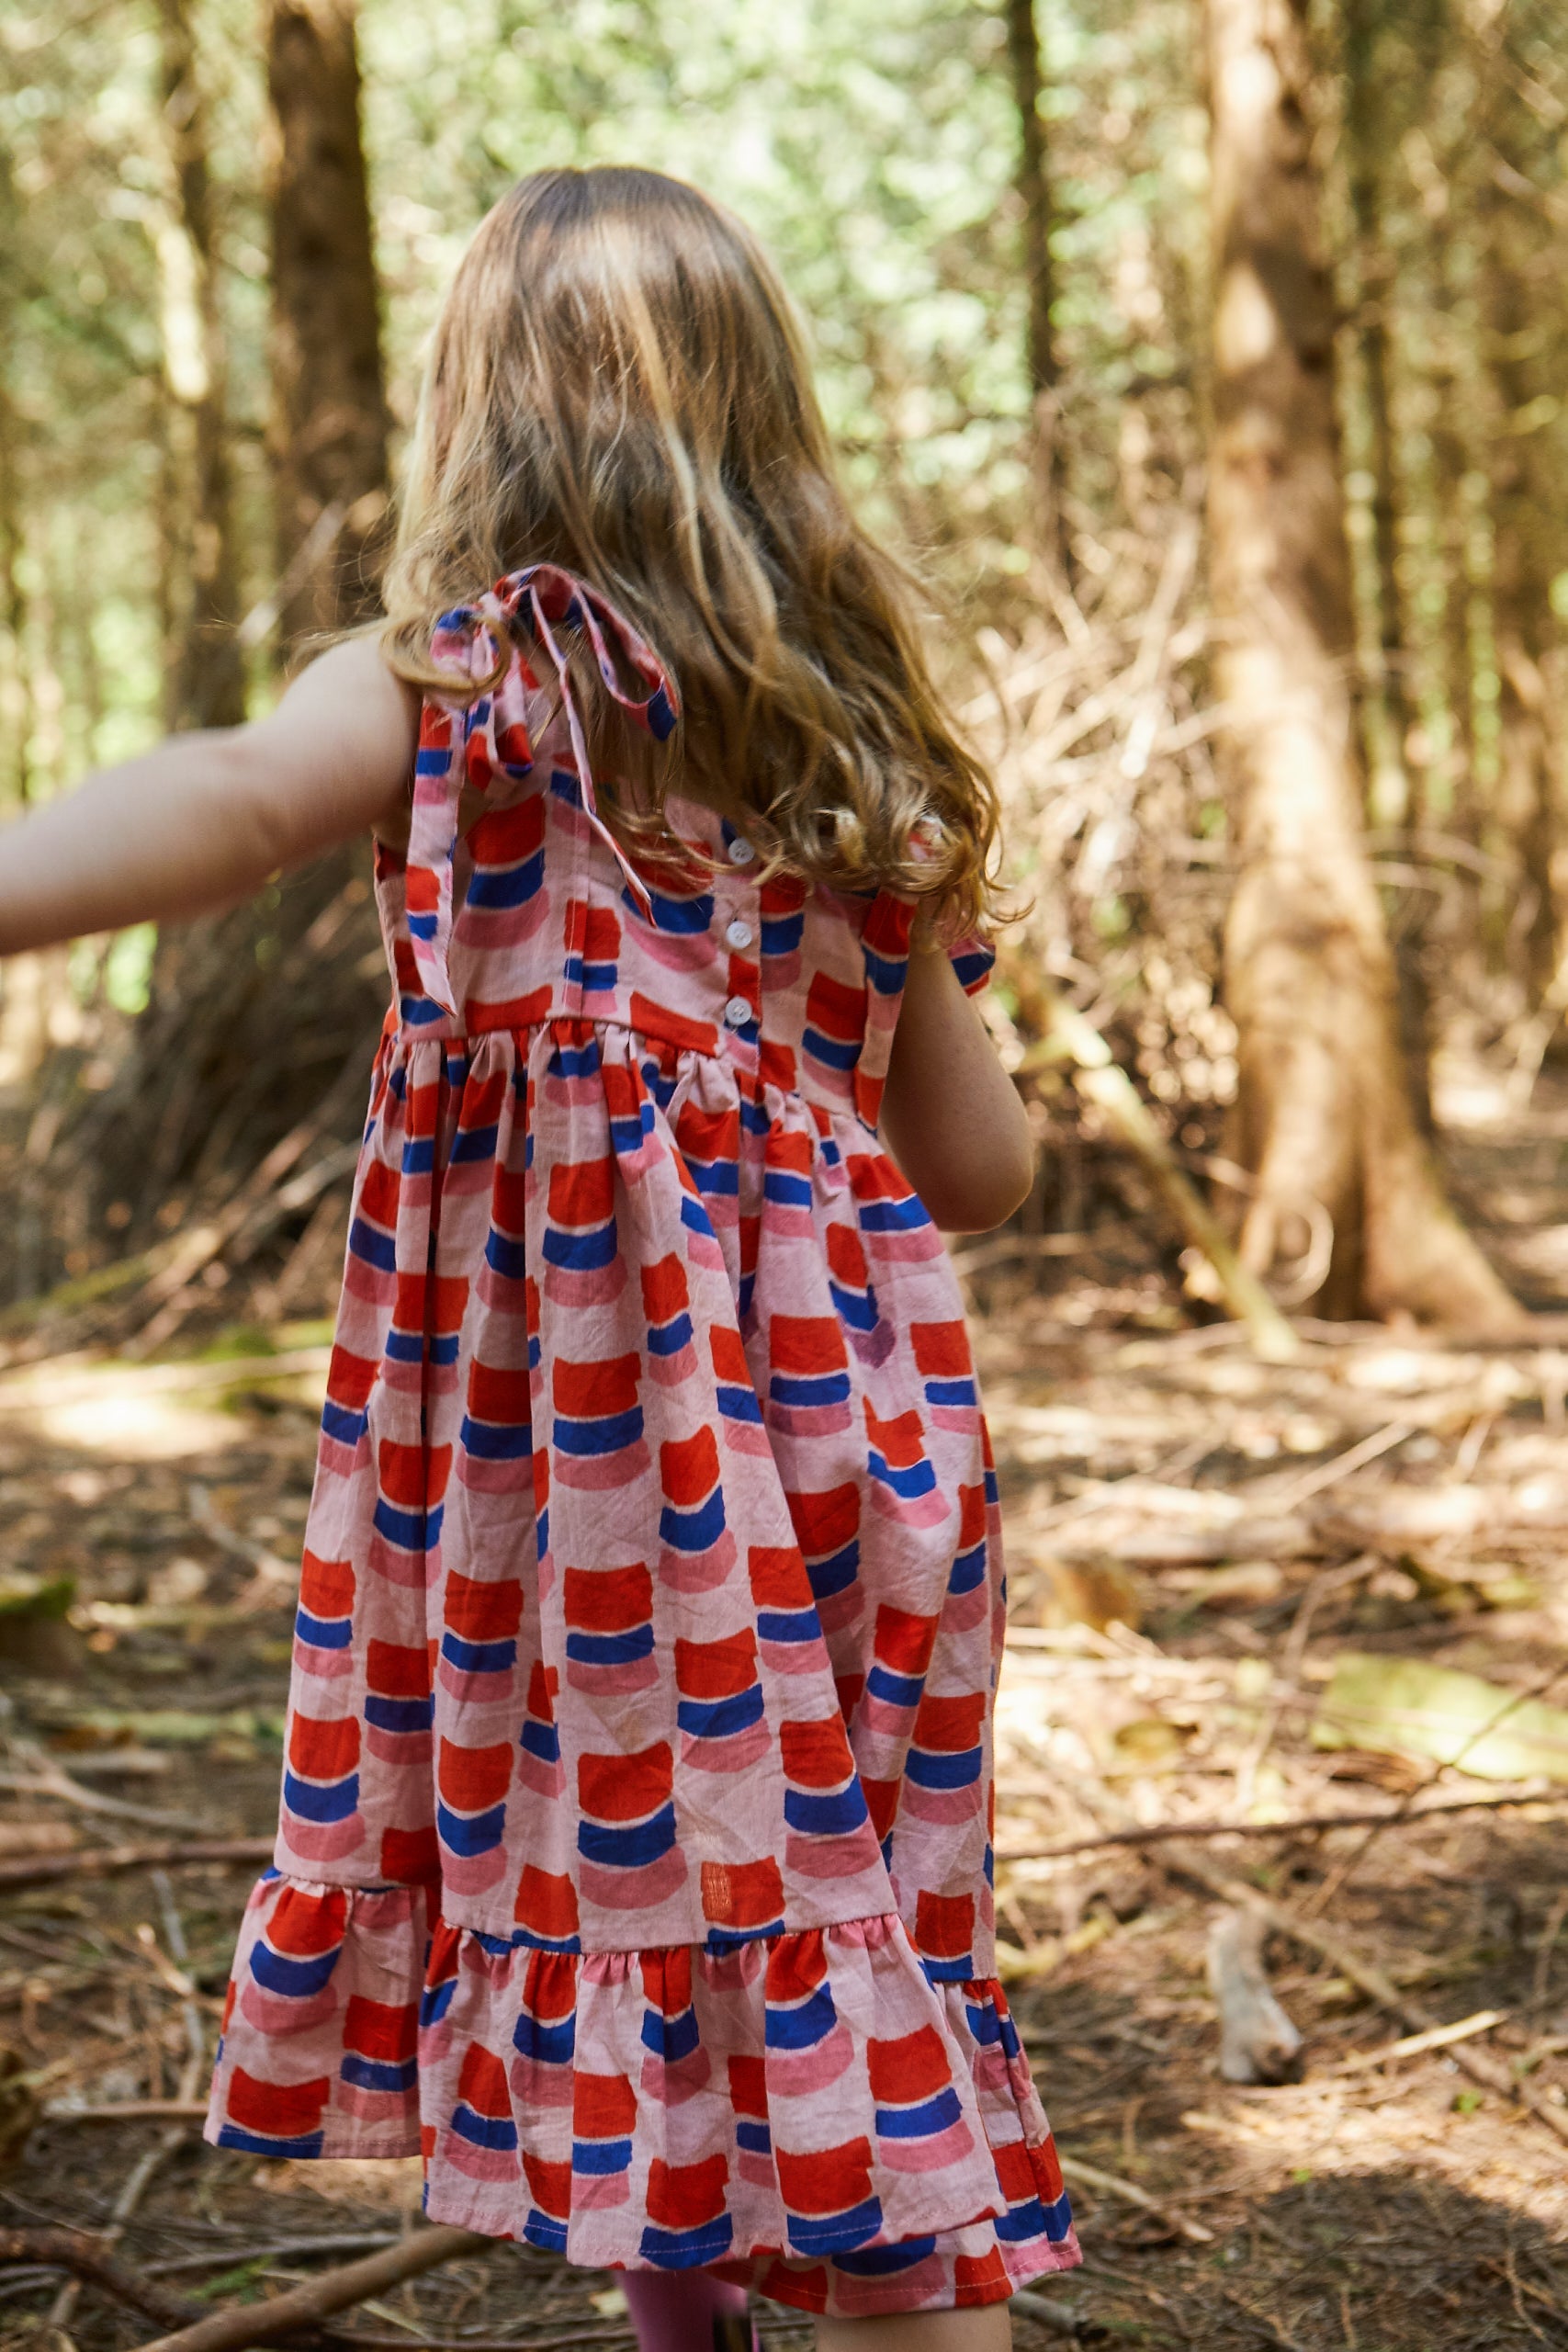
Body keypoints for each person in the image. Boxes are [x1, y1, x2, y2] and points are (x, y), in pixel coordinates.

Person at [0, 167, 1078, 2349]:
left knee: (722, 1970)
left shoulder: (471, 689)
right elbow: (978, 1174)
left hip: (600, 1496)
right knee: (770, 1930)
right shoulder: (843, 764)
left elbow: (225, 794)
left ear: (476, 417)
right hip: (857, 1466)